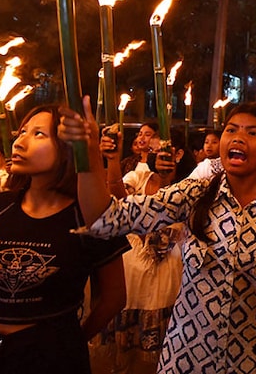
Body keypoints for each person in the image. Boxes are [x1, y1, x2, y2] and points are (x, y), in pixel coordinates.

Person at [61, 100, 256, 374]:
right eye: (231, 130)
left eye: (252, 132)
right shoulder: (195, 193)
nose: (238, 138)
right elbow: (107, 217)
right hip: (187, 358)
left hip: (255, 362)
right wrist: (89, 153)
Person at [0, 105, 129, 374]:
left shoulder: (90, 215)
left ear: (69, 147)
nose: (20, 141)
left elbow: (114, 297)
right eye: (22, 132)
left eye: (38, 134)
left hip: (51, 357)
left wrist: (73, 341)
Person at [91, 128, 196, 374]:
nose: (157, 153)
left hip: (166, 272)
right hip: (133, 269)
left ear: (178, 154)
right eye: (153, 150)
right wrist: (113, 161)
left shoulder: (190, 186)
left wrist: (168, 179)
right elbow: (120, 202)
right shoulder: (139, 177)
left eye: (163, 150)